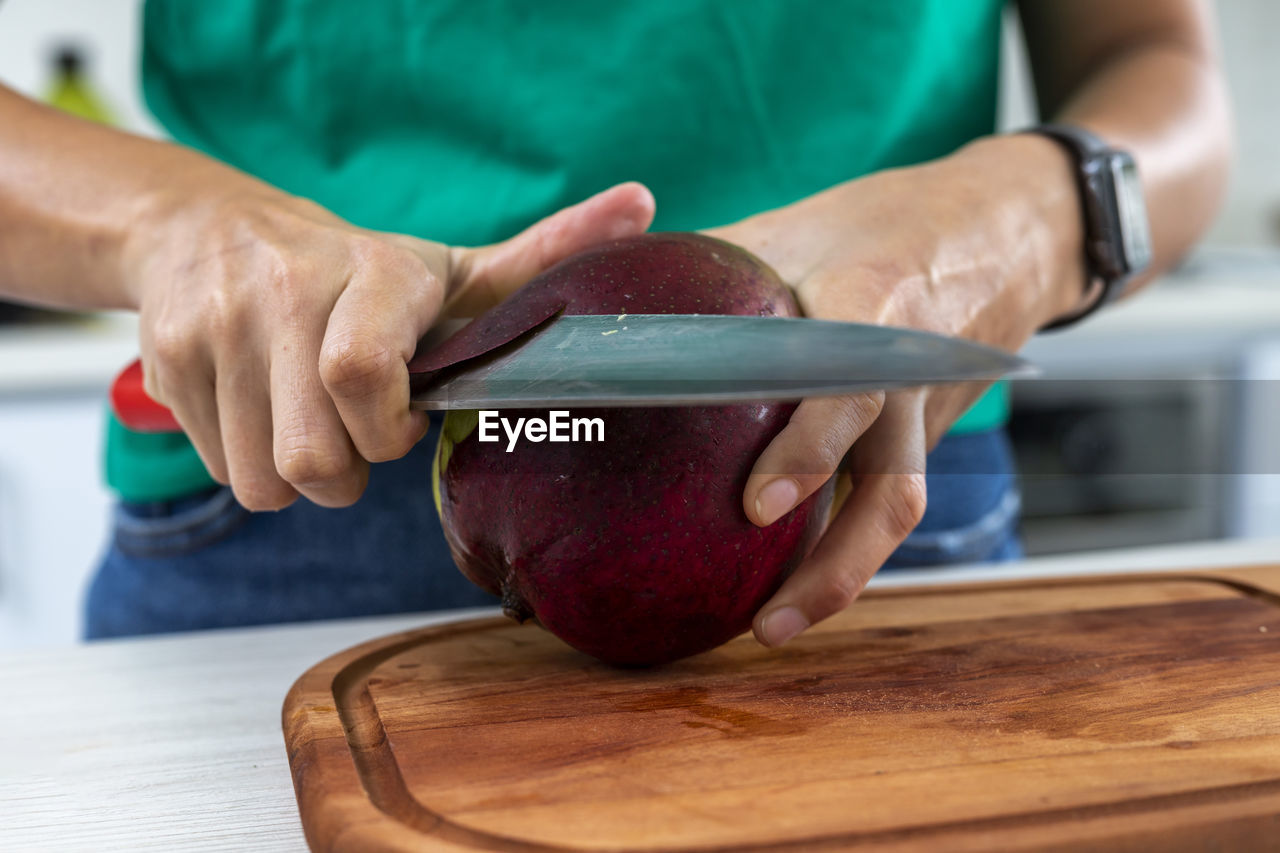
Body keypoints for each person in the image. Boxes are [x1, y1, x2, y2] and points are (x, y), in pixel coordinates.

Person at [0, 1, 1230, 647]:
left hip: (860, 489)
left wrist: (1016, 221)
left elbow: (1158, 68)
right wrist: (169, 224)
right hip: (278, 487)